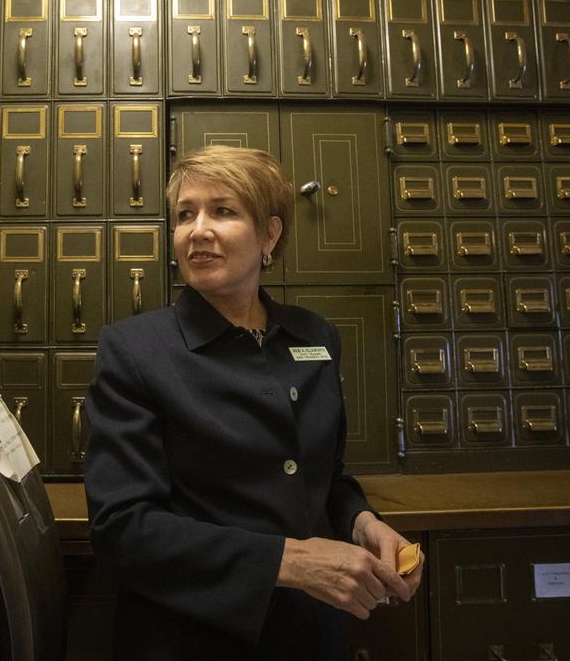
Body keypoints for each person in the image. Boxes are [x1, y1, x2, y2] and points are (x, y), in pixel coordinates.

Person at [83, 145, 425, 659]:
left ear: (270, 235)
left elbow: (324, 478)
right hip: (192, 637)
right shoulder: (135, 350)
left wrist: (362, 521)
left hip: (311, 631)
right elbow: (124, 529)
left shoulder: (315, 337)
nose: (197, 230)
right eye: (184, 214)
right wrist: (290, 562)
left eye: (223, 211)